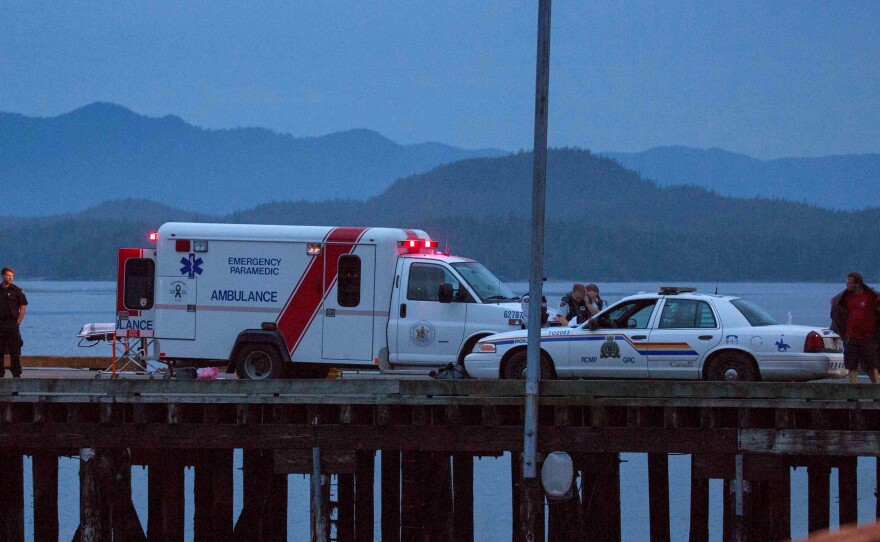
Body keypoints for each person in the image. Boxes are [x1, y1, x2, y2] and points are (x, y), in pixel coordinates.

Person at [830, 272, 880, 384]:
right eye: (846, 282)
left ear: (857, 284)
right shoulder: (845, 297)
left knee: (872, 365)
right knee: (851, 366)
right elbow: (837, 310)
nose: (847, 284)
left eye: (849, 282)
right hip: (850, 337)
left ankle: (876, 391)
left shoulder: (870, 296)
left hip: (868, 337)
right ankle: (853, 393)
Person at [0, 267, 27, 378]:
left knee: (14, 352)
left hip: (12, 325)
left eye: (12, 276)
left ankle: (16, 378)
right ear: (2, 276)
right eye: (8, 275)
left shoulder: (17, 291)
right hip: (0, 325)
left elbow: (23, 308)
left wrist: (18, 322)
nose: (10, 278)